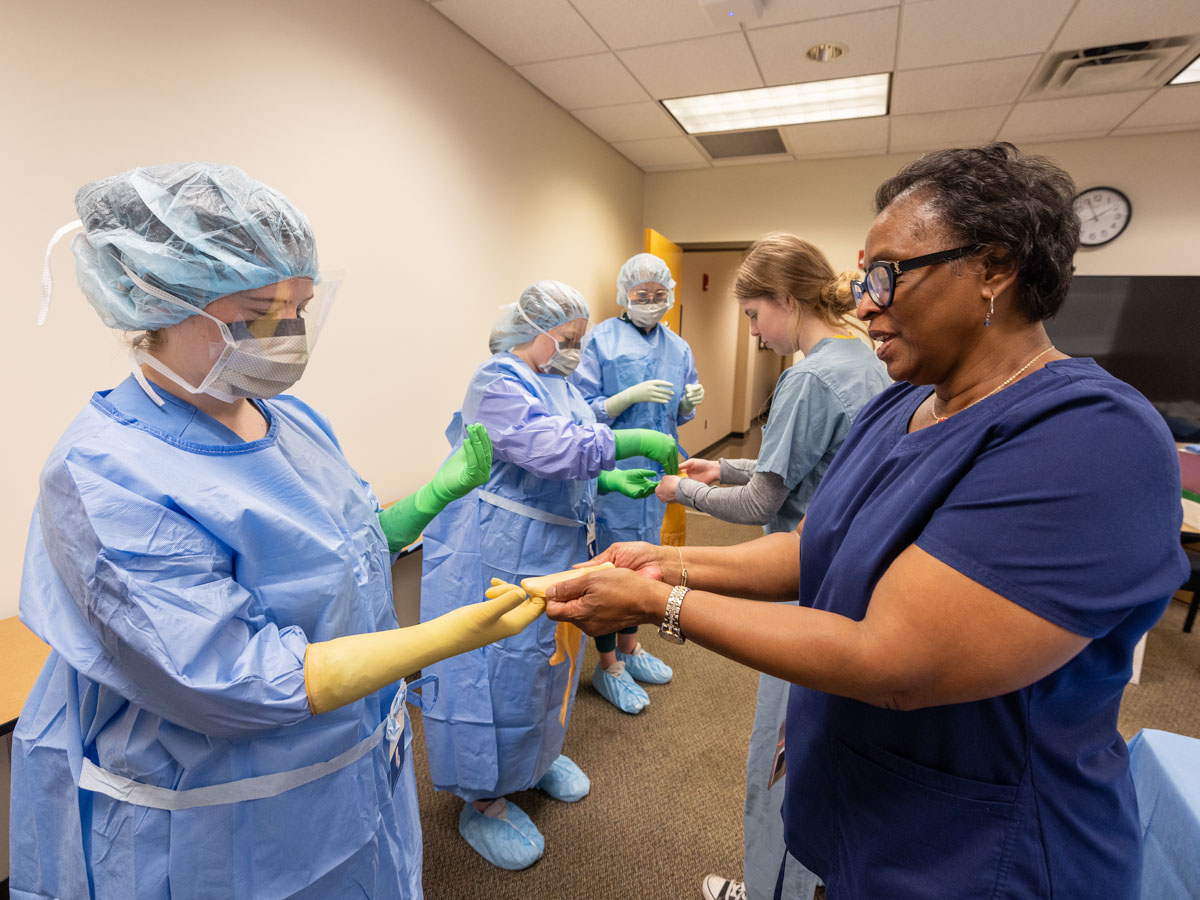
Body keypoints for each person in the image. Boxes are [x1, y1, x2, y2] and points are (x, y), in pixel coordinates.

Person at [544, 143, 1190, 898]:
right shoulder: (902, 403)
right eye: (862, 277)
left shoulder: (1090, 436)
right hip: (863, 820)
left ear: (994, 268)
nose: (864, 301)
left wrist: (662, 604)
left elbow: (896, 662)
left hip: (981, 853)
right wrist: (660, 563)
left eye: (885, 274)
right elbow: (814, 546)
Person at [11, 163, 548, 899]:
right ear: (162, 302)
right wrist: (448, 637)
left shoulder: (287, 420)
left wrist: (429, 497)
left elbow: (347, 552)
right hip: (221, 816)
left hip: (351, 769)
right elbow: (232, 679)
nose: (290, 332)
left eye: (300, 306)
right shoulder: (103, 472)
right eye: (263, 309)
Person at [652, 233, 890, 900]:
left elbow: (765, 501)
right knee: (817, 754)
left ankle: (767, 890)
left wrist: (682, 492)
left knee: (780, 759)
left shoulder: (808, 377)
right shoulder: (863, 363)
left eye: (755, 315)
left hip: (802, 584)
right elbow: (806, 468)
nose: (754, 333)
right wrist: (720, 464)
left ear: (788, 300)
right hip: (848, 583)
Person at [418, 280, 678, 870]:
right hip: (496, 550)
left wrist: (606, 481)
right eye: (566, 339)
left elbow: (578, 445)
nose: (574, 350)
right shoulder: (497, 382)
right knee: (495, 670)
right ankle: (483, 797)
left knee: (547, 661)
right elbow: (552, 448)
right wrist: (628, 440)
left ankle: (534, 761)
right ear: (534, 333)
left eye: (578, 340)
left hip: (551, 545)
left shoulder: (555, 382)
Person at [571, 252, 702, 713]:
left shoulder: (678, 347)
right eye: (641, 295)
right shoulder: (600, 341)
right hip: (615, 474)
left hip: (658, 472)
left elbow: (678, 412)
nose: (650, 302)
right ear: (625, 295)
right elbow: (580, 410)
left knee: (646, 563)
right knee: (612, 568)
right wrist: (623, 398)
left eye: (658, 295)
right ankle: (608, 666)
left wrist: (689, 403)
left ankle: (631, 647)